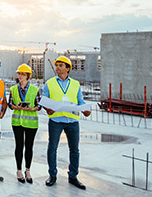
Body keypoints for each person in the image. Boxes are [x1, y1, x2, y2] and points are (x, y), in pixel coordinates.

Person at [42, 56, 91, 189]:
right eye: (56, 65)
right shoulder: (50, 83)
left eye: (61, 65)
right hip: (56, 120)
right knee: (52, 148)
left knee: (74, 150)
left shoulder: (75, 84)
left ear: (67, 68)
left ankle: (73, 176)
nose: (57, 67)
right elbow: (44, 100)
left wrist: (85, 110)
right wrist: (48, 109)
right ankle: (52, 175)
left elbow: (80, 101)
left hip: (72, 121)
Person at [8, 64, 41, 184]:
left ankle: (28, 170)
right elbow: (10, 104)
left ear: (27, 76)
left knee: (29, 147)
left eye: (22, 74)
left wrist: (32, 109)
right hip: (17, 122)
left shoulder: (34, 90)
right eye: (19, 74)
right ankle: (19, 170)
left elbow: (39, 105)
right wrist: (14, 106)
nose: (20, 76)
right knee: (19, 146)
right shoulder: (13, 89)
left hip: (31, 123)